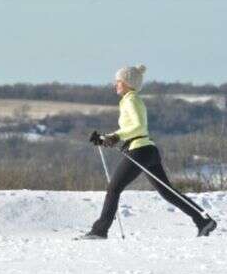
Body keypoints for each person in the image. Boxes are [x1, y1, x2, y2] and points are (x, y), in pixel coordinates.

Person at [81, 64, 217, 239]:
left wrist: (115, 136)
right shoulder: (131, 99)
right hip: (147, 149)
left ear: (128, 83)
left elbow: (138, 127)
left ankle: (99, 231)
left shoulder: (131, 99)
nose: (115, 84)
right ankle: (203, 221)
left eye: (118, 81)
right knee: (167, 191)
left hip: (140, 150)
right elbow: (132, 129)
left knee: (114, 189)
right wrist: (105, 138)